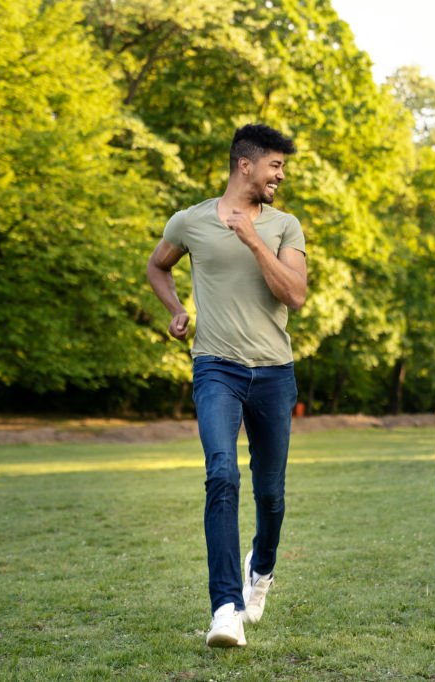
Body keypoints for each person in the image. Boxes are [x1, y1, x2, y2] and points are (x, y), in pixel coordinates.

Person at [146, 124, 306, 647]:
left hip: (274, 373)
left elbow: (295, 295)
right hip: (216, 366)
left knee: (271, 493)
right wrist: (175, 309)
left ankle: (261, 569)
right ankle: (225, 609)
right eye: (275, 166)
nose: (280, 176)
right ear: (246, 164)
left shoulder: (284, 226)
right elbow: (157, 266)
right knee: (221, 475)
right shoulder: (189, 221)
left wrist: (252, 240)